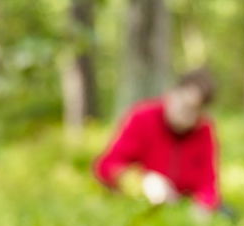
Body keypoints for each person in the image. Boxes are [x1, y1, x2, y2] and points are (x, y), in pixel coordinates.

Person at [93, 68, 222, 211]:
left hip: (180, 209)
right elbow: (105, 167)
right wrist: (143, 182)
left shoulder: (204, 130)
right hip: (138, 205)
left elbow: (208, 183)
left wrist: (203, 205)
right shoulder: (142, 117)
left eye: (193, 109)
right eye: (182, 102)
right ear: (171, 94)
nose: (184, 112)